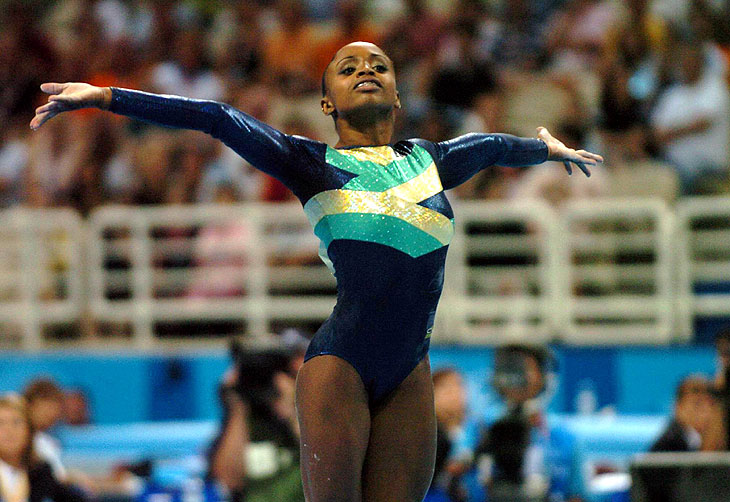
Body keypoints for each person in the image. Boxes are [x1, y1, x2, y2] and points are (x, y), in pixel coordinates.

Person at [30, 41, 602, 502]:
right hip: (340, 364)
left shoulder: (430, 161)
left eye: (378, 66)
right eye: (347, 69)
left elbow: (492, 147)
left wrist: (545, 150)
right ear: (327, 104)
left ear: (398, 96)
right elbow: (216, 118)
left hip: (411, 369)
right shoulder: (310, 163)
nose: (365, 71)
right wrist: (107, 97)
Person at [208, 333, 307, 502]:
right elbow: (229, 481)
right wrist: (238, 407)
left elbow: (324, 466)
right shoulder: (243, 420)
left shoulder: (307, 414)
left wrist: (294, 409)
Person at [0, 393, 86, 502]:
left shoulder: (41, 472)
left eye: (16, 423)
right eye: (1, 423)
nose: (9, 431)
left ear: (30, 431)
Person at [22, 379, 66, 481]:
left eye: (57, 408)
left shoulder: (47, 442)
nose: (54, 413)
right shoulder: (19, 443)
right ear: (30, 405)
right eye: (49, 407)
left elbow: (58, 478)